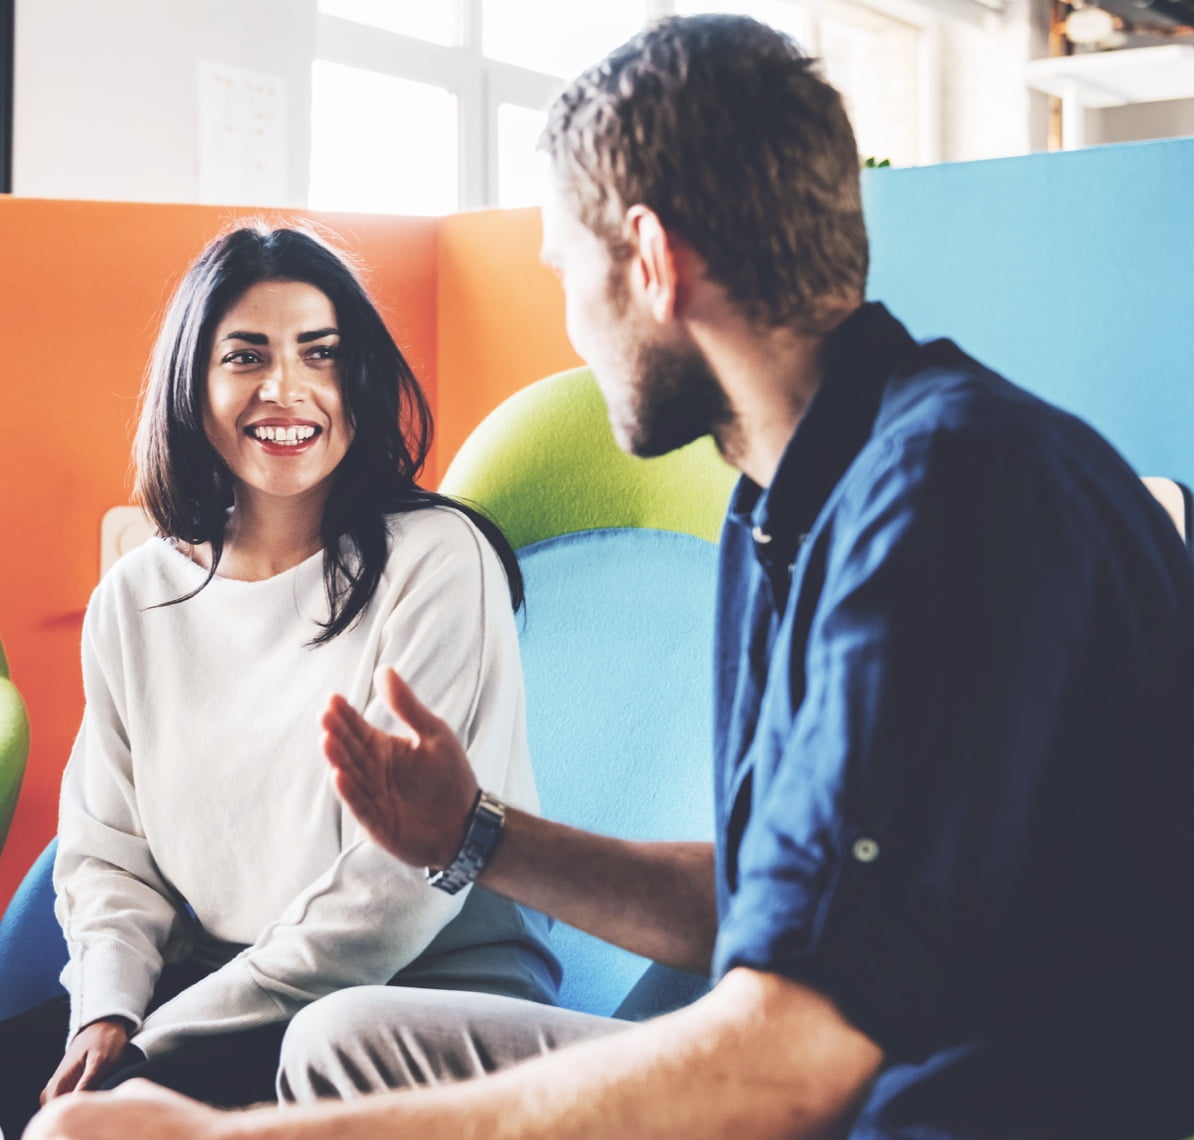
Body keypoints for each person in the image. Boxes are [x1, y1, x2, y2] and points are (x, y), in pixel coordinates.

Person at [26, 14, 1194, 1140]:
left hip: (930, 1106)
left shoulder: (943, 505)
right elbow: (767, 901)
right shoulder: (784, 506)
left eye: (566, 272)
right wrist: (478, 836)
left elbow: (790, 1064)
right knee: (351, 1049)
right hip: (818, 1061)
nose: (574, 326)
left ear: (648, 261)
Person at [0, 224, 560, 1139]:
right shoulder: (136, 597)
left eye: (321, 354)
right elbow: (107, 856)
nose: (286, 389)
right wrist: (107, 1012)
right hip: (216, 990)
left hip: (409, 999)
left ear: (360, 379)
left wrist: (158, 1043)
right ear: (194, 383)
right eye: (245, 355)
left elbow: (398, 890)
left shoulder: (440, 562)